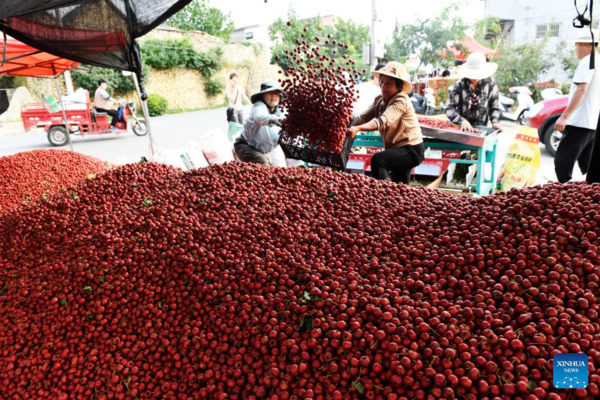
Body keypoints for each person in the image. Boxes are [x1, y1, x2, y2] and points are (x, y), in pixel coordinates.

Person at [349, 61, 424, 184]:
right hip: (397, 149)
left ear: (399, 87)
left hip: (411, 149)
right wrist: (346, 121)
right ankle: (396, 200)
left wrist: (358, 129)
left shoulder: (401, 100)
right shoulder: (379, 100)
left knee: (378, 160)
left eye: (388, 83)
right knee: (400, 188)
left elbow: (381, 121)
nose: (383, 86)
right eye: (382, 82)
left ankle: (382, 197)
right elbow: (362, 118)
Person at [554, 29, 600, 183]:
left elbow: (581, 89)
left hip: (580, 121)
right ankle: (592, 197)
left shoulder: (588, 61)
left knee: (562, 161)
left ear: (585, 45)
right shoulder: (598, 61)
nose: (575, 50)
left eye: (576, 46)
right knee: (588, 164)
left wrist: (565, 116)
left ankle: (565, 194)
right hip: (593, 122)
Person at [445, 52, 504, 133]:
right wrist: (462, 121)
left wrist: (495, 122)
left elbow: (494, 106)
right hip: (461, 129)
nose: (475, 77)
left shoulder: (490, 84)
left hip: (482, 129)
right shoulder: (459, 85)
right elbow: (449, 108)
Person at [234, 80, 285, 166]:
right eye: (270, 92)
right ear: (262, 96)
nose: (274, 95)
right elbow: (260, 117)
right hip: (246, 146)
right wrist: (279, 121)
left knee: (271, 171)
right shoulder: (258, 106)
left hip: (262, 150)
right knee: (262, 164)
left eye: (276, 93)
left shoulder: (279, 110)